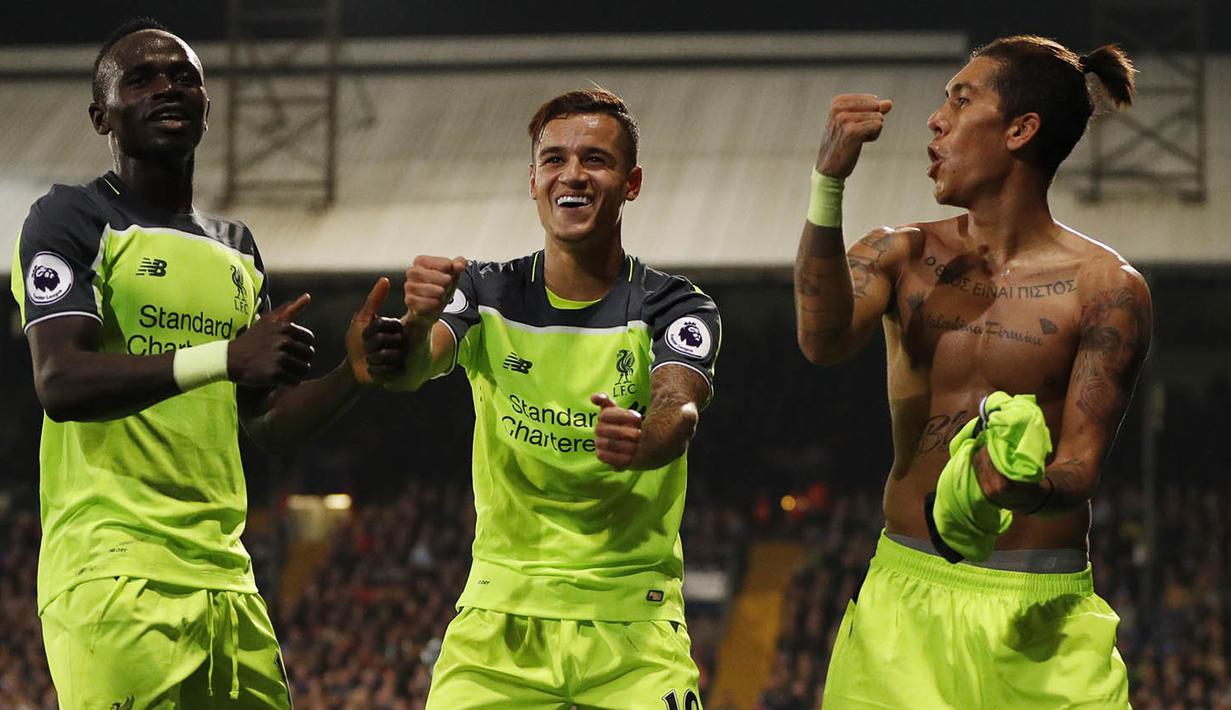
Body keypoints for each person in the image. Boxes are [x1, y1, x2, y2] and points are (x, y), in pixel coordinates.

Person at [10, 17, 388, 708]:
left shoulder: (237, 245)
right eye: (143, 78)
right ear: (103, 115)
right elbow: (59, 381)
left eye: (185, 77)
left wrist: (350, 376)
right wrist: (223, 355)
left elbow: (266, 425)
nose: (168, 88)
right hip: (113, 572)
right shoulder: (70, 219)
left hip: (229, 580)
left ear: (207, 107)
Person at [793, 35, 1151, 708]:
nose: (935, 119)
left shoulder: (1106, 287)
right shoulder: (898, 253)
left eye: (960, 100)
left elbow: (1079, 464)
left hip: (1041, 620)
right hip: (902, 608)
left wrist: (1022, 488)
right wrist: (826, 184)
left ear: (1019, 129)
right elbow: (822, 338)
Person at [362, 87, 720, 709]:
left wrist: (644, 440)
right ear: (533, 180)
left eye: (595, 160)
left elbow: (680, 407)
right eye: (554, 160)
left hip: (634, 627)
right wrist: (415, 325)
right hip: (499, 621)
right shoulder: (485, 291)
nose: (572, 175)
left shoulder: (675, 304)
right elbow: (414, 369)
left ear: (632, 182)